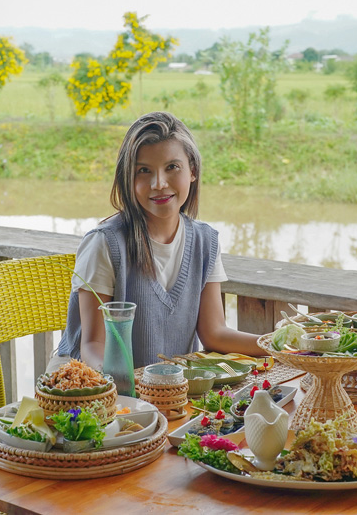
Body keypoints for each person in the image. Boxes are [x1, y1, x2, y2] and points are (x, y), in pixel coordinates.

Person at [56, 111, 263, 369]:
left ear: (192, 171)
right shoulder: (105, 243)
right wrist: (125, 383)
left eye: (172, 167)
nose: (159, 184)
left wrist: (279, 345)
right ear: (128, 178)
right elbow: (92, 345)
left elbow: (214, 333)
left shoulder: (205, 242)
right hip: (90, 384)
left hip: (168, 388)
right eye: (144, 171)